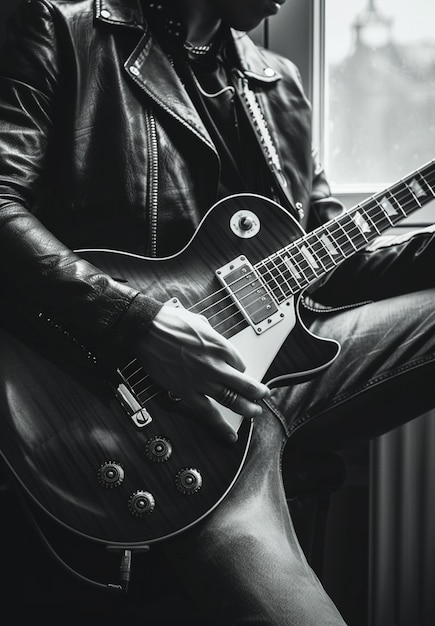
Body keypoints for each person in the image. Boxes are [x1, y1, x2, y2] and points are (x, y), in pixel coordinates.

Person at [1, 0, 435, 624]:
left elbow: (328, 259)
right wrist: (137, 322)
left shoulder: (277, 83)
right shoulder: (66, 29)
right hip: (152, 414)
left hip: (278, 376)